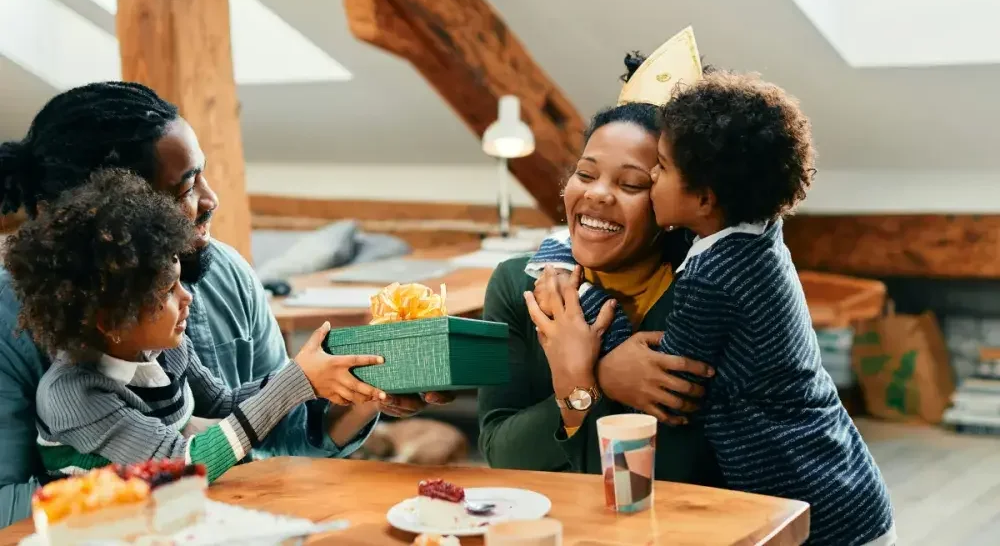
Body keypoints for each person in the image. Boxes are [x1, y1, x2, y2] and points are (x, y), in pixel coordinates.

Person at [0, 81, 450, 527]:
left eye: (201, 176)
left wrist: (364, 387)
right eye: (182, 191)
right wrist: (142, 498)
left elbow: (279, 432)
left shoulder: (224, 276)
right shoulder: (47, 364)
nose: (211, 201)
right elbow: (7, 505)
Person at [527, 68, 894, 545]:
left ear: (703, 198)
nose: (653, 177)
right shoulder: (758, 232)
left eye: (656, 171)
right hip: (844, 478)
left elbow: (667, 376)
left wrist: (579, 293)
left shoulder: (713, 279)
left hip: (811, 506)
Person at [6, 169, 386, 481]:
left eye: (179, 280)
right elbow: (183, 463)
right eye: (167, 292)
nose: (186, 296)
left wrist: (322, 379)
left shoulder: (165, 352)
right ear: (111, 321)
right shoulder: (74, 395)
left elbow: (223, 404)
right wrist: (293, 382)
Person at [477, 34, 721, 484]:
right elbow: (501, 452)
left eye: (631, 185)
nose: (597, 194)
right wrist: (595, 381)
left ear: (673, 204)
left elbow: (680, 477)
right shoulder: (519, 286)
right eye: (585, 174)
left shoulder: (703, 297)